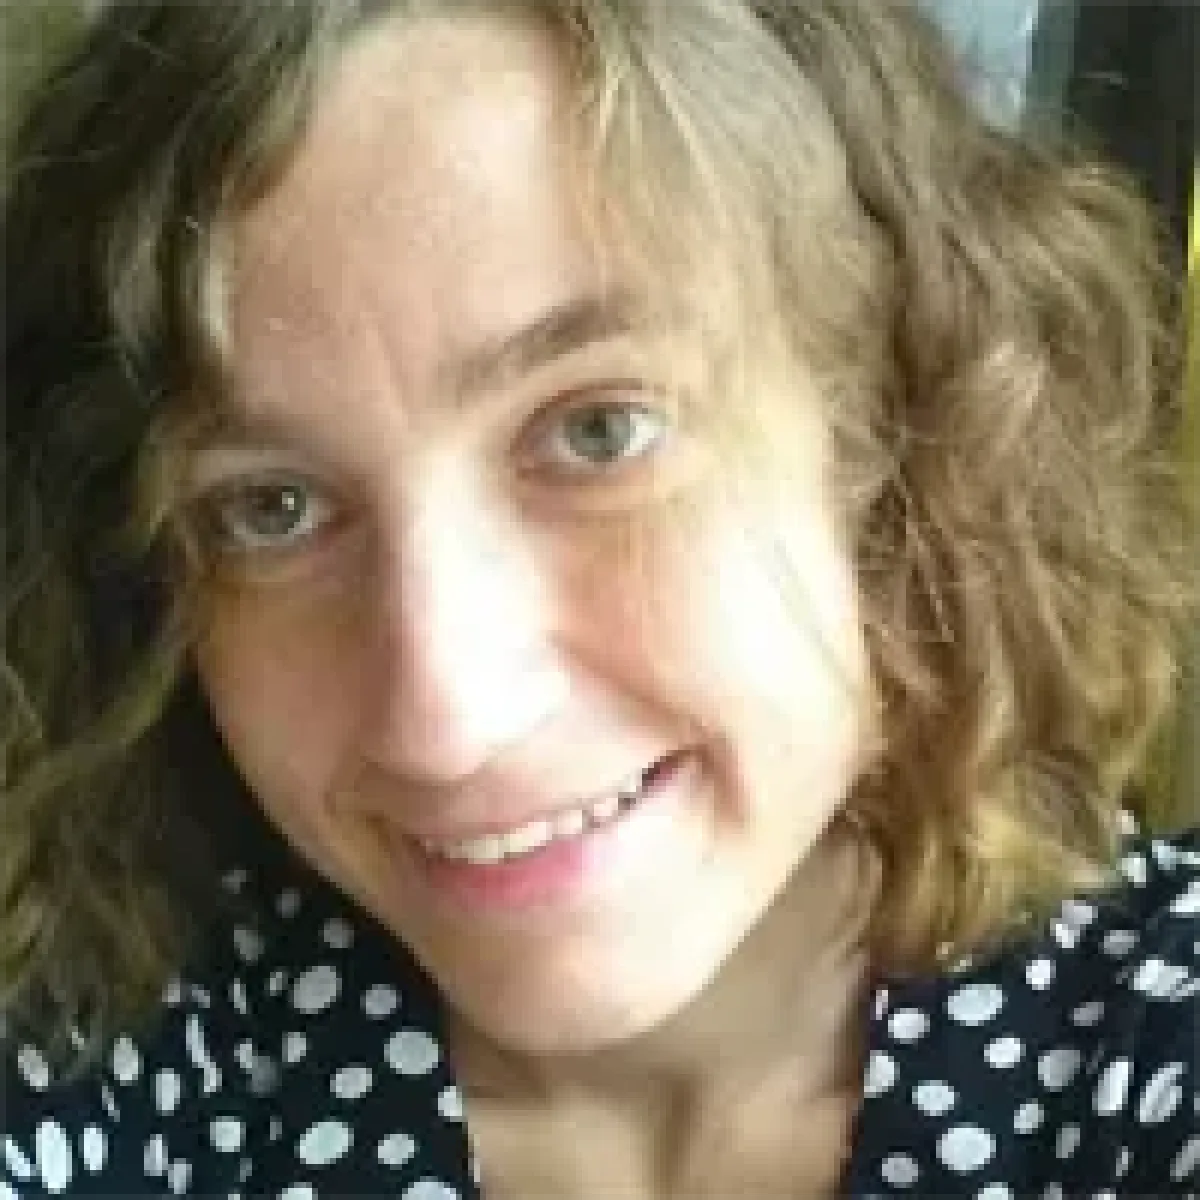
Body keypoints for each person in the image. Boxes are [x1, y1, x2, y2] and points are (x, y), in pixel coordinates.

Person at [0, 0, 1195, 1196]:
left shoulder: (1150, 1042)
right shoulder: (123, 1046)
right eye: (272, 508)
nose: (446, 724)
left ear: (892, 442)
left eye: (599, 432)